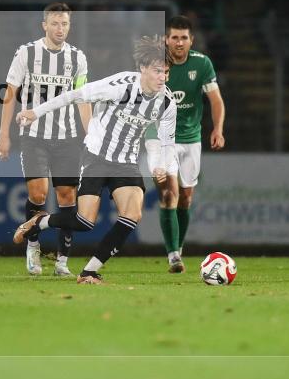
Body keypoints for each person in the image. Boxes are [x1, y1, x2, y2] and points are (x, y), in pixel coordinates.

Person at [13, 36, 175, 284]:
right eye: (157, 71)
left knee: (132, 214)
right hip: (97, 156)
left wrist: (160, 165)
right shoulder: (119, 86)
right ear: (143, 68)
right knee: (85, 221)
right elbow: (73, 96)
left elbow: (164, 141)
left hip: (126, 163)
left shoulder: (167, 102)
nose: (162, 77)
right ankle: (40, 222)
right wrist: (35, 112)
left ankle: (89, 271)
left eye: (166, 72)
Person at [0, 3, 91, 276]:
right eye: (55, 23)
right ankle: (33, 247)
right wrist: (4, 135)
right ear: (44, 25)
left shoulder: (78, 57)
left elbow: (83, 99)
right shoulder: (26, 53)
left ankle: (62, 260)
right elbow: (10, 93)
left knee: (67, 196)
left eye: (65, 24)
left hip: (68, 137)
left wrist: (92, 136)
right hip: (34, 136)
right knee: (37, 194)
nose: (60, 28)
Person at [157, 15, 225, 273]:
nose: (179, 42)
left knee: (186, 197)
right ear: (167, 39)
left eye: (183, 37)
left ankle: (178, 246)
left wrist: (217, 129)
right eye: (174, 37)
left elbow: (216, 100)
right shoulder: (157, 64)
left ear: (191, 40)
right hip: (162, 140)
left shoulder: (202, 63)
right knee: (168, 193)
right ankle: (173, 254)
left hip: (192, 139)